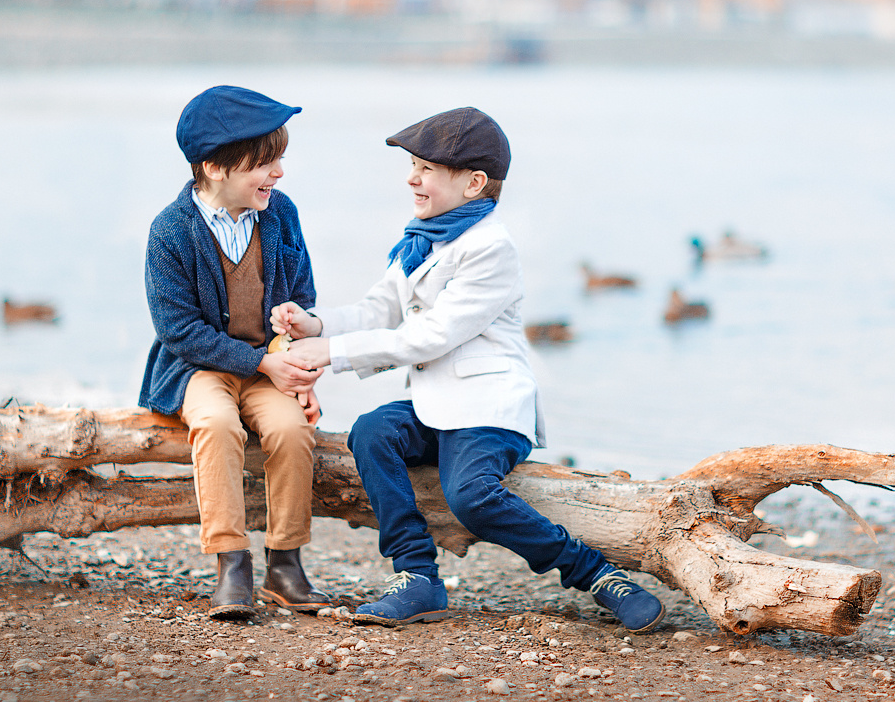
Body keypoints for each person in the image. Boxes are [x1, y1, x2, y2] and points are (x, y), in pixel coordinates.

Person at [271, 107, 666, 632]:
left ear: (474, 183)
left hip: (488, 409)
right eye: (413, 165)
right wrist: (316, 326)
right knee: (372, 432)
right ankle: (416, 575)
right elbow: (377, 311)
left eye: (426, 168)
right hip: (436, 407)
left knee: (471, 497)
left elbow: (432, 334)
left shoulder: (490, 248)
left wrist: (335, 355)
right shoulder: (421, 238)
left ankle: (594, 573)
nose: (412, 177)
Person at [141, 85, 332, 620]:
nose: (278, 174)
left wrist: (298, 370)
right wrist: (260, 363)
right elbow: (177, 329)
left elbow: (303, 296)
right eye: (264, 163)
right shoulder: (171, 231)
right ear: (214, 167)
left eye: (279, 160)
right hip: (199, 367)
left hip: (271, 362)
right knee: (218, 425)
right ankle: (232, 562)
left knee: (292, 429)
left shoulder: (280, 213)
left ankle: (285, 562)